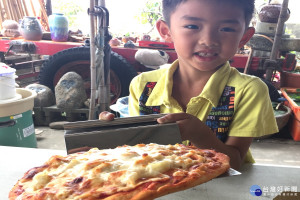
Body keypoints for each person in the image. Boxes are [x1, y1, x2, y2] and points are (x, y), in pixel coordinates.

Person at [100, 0, 278, 170]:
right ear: (166, 30)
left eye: (227, 28)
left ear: (244, 37)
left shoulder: (249, 90)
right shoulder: (143, 85)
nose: (208, 40)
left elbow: (235, 164)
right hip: (160, 185)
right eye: (192, 26)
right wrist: (107, 135)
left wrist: (199, 135)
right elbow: (138, 150)